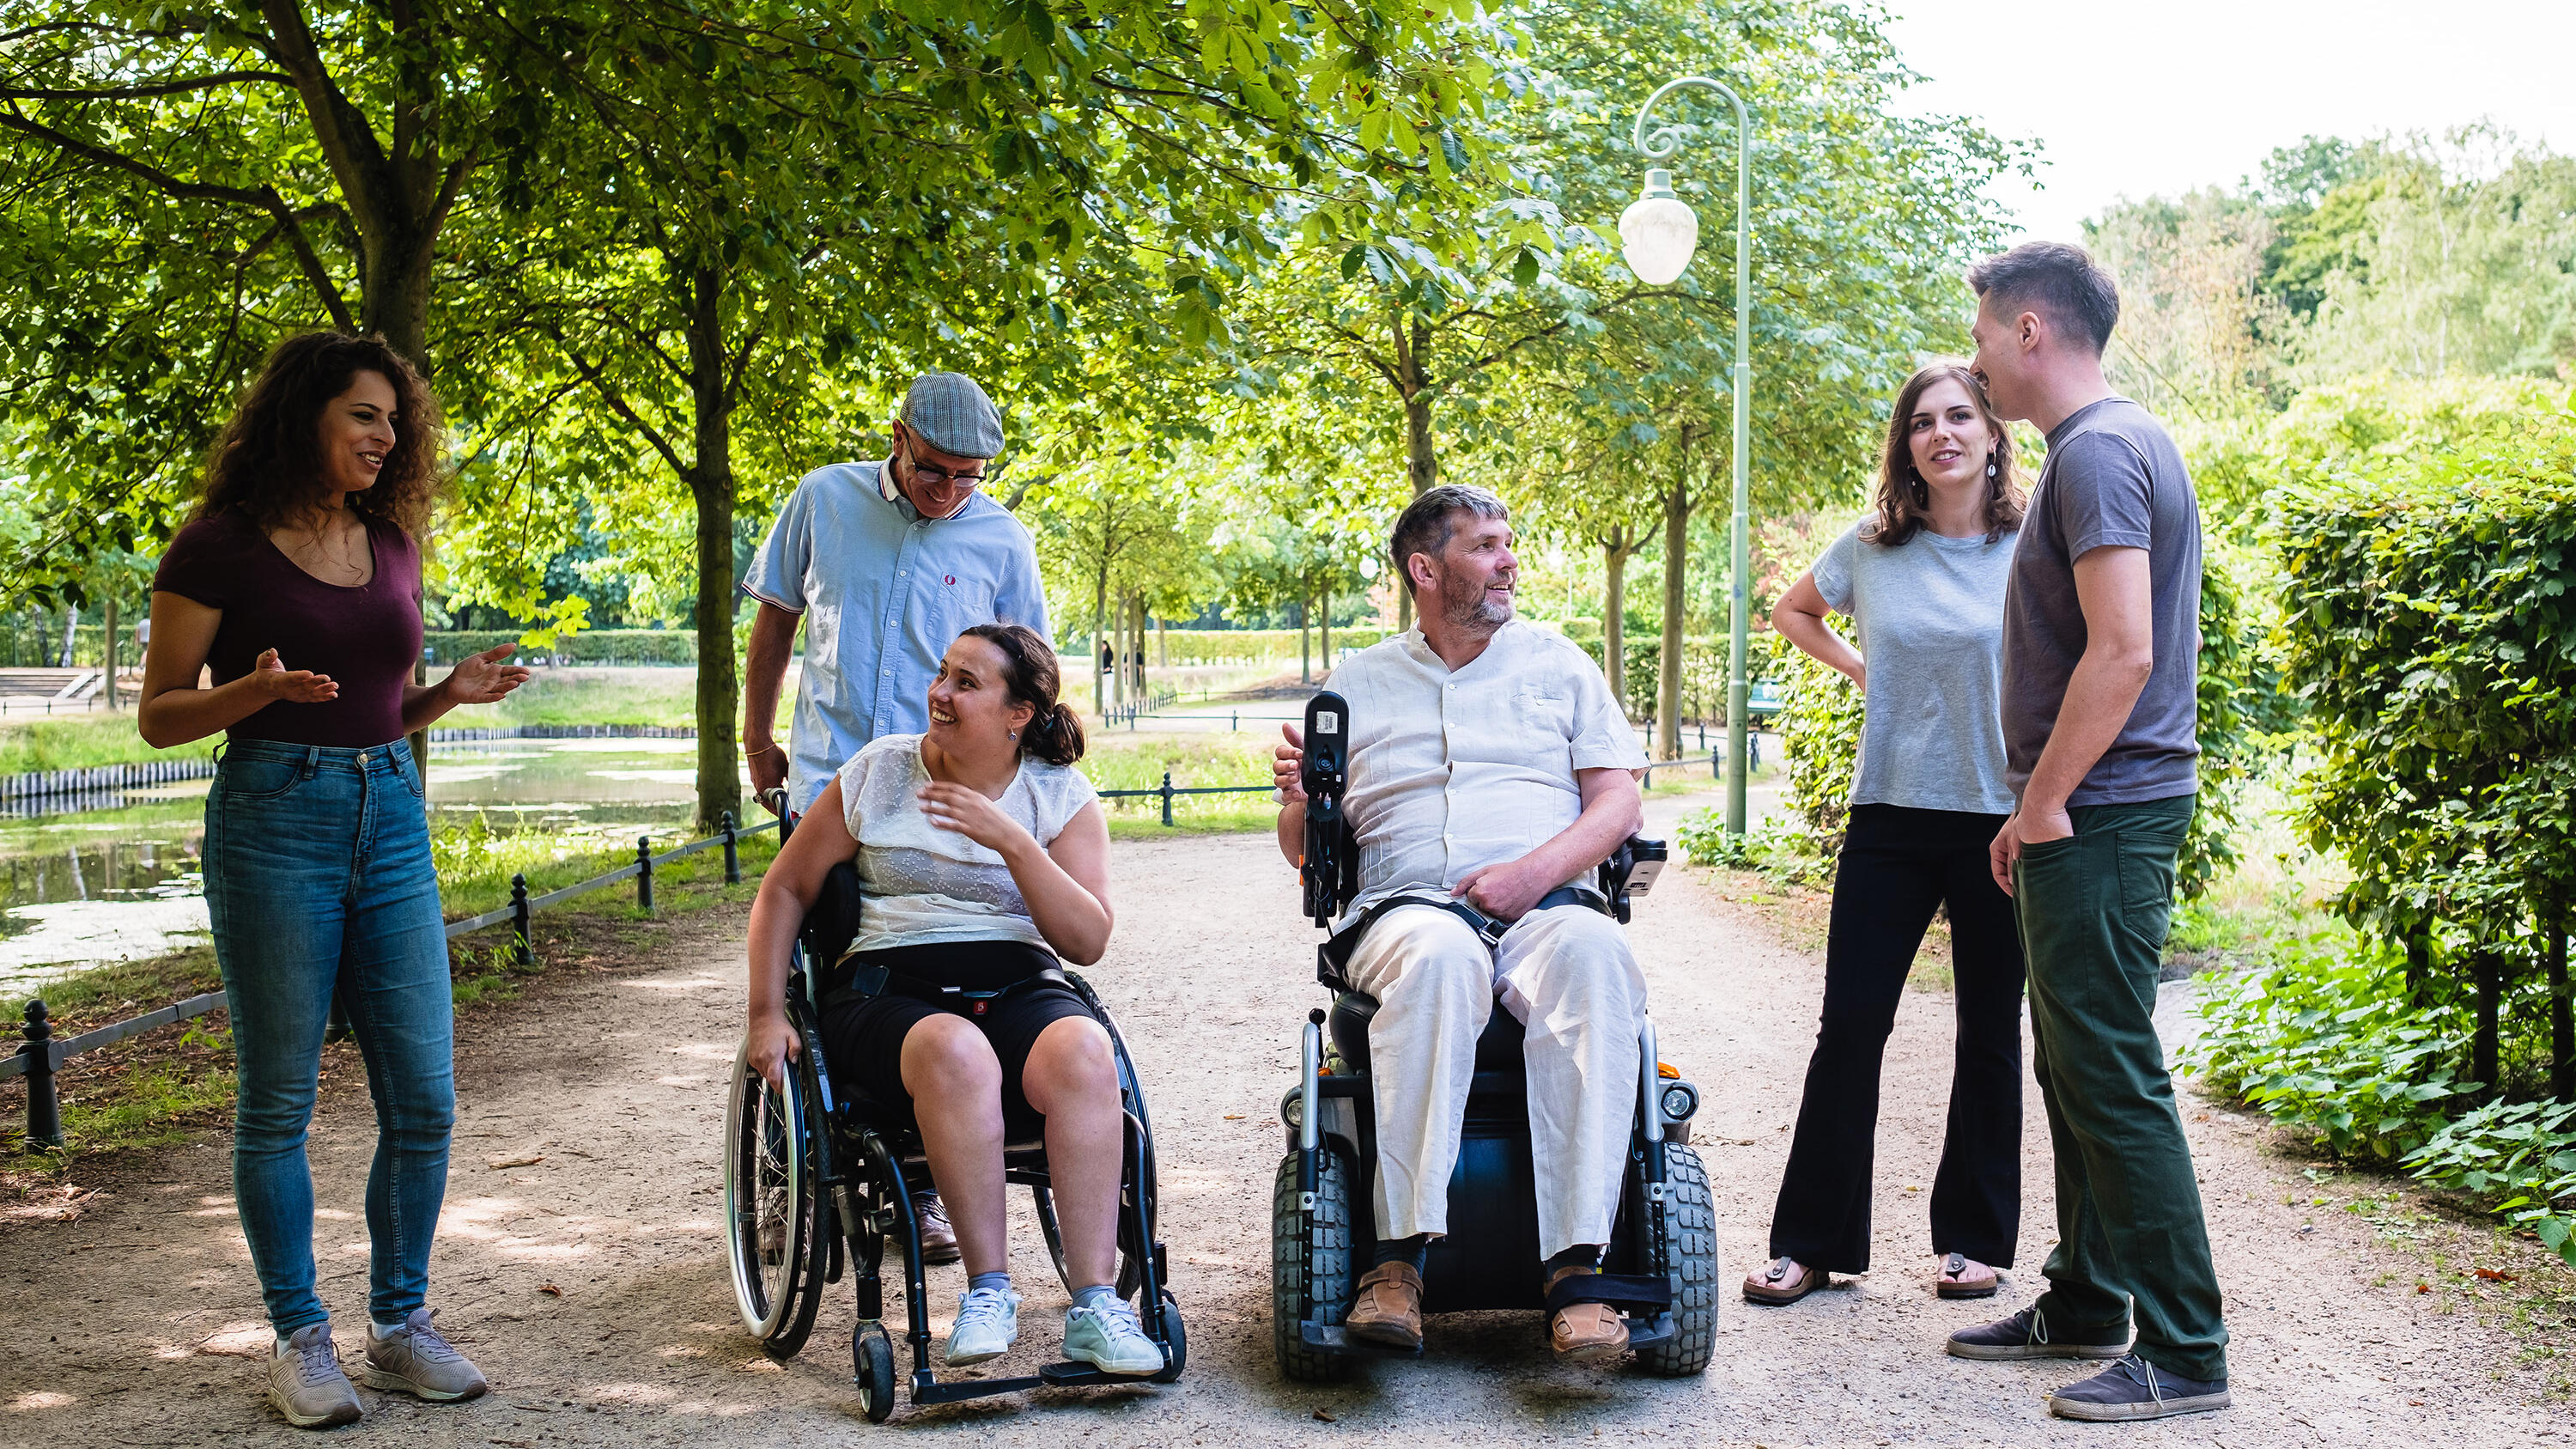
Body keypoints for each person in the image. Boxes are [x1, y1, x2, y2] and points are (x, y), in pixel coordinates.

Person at [138, 332, 532, 1430]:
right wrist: (250, 694)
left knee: (425, 1097)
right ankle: (300, 1337)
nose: (386, 436)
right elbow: (161, 713)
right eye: (365, 414)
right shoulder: (218, 546)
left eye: (394, 421)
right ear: (306, 414)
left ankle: (398, 1325)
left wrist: (446, 691)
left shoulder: (392, 540)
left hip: (389, 814)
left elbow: (373, 706)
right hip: (273, 817)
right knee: (279, 1100)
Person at [1269, 484, 1651, 1362]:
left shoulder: (1558, 664)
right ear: (1426, 568)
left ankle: (1578, 1270)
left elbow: (1619, 800)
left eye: (1508, 541)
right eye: (1486, 545)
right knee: (1440, 955)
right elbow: (1303, 852)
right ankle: (1397, 1264)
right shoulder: (1358, 682)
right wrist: (1301, 802)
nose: (1509, 559)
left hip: (1546, 904)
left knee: (1595, 954)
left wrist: (1533, 876)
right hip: (1407, 912)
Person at [1947, 240, 2229, 1422]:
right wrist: (2037, 802)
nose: (1972, 363)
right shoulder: (2114, 445)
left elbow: (2125, 649)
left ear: (2028, 332)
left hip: (2105, 812)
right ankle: (2084, 1296)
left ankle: (2186, 1344)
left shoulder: (2100, 453)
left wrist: (2047, 797)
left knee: (2109, 1071)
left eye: (1980, 337)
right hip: (2093, 807)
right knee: (2071, 1063)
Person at [743, 624, 1165, 1375]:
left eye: (966, 683)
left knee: (1085, 1051)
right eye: (944, 674)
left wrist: (1013, 840)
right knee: (957, 1050)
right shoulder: (879, 772)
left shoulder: (1058, 794)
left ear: (1019, 713)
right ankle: (987, 1290)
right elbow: (785, 888)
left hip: (1018, 983)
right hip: (888, 992)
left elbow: (1088, 938)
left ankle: (1098, 1304)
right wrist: (765, 1012)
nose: (939, 692)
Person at [738, 369, 1048, 1263]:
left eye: (970, 476)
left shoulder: (1002, 541)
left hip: (938, 794)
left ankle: (921, 1179)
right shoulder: (822, 499)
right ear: (898, 437)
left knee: (921, 973)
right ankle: (782, 1175)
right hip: (832, 784)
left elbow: (1028, 676)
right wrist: (757, 738)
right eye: (933, 470)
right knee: (806, 974)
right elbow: (775, 624)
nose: (949, 491)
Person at [1744, 362, 2030, 1309]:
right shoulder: (1873, 547)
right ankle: (1812, 1244)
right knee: (1851, 1028)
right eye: (1921, 422)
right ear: (1905, 445)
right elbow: (1793, 610)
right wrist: (1865, 669)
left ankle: (1974, 1242)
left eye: (1959, 417)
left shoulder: (2034, 544)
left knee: (1989, 1029)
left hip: (2002, 816)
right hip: (1891, 815)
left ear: (1993, 433)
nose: (1940, 434)